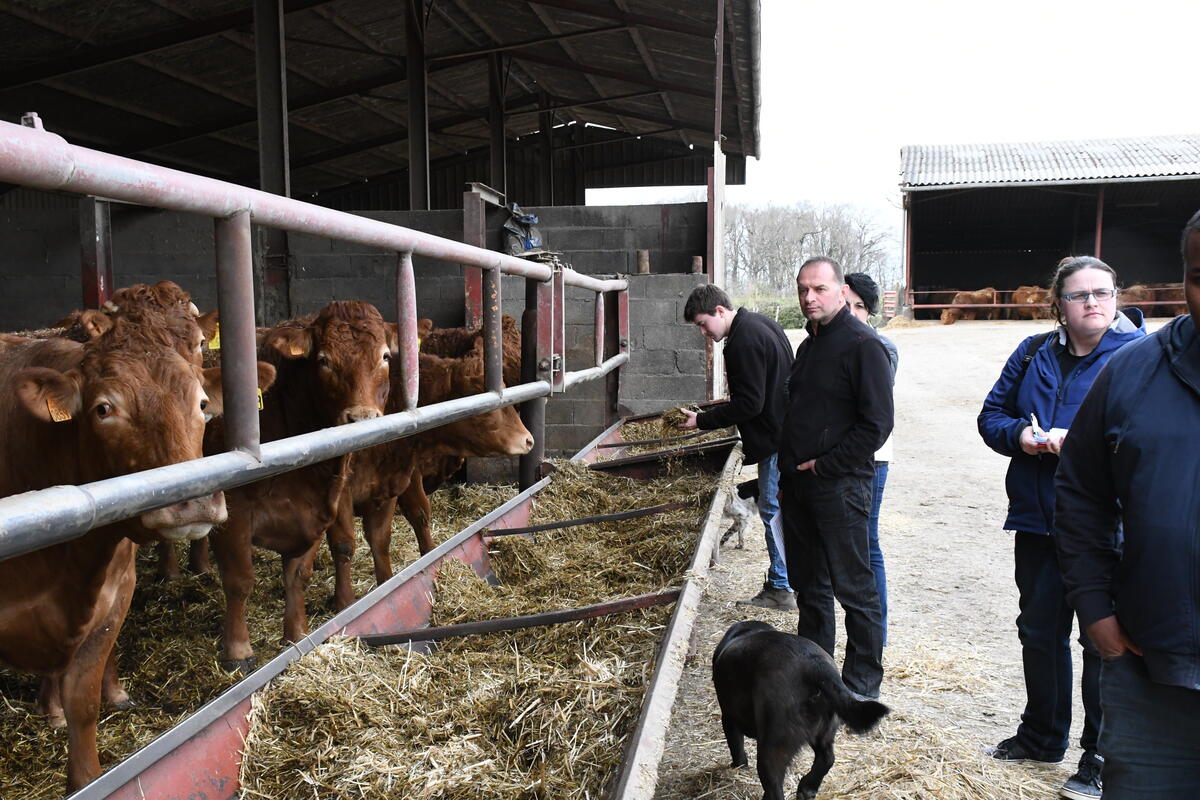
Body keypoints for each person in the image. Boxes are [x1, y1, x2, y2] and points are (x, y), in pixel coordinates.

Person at [977, 255, 1145, 800]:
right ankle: (1041, 736)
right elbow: (992, 414)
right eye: (1079, 295)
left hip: (1106, 523)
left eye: (1102, 292)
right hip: (1038, 518)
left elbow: (1151, 436)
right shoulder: (1032, 352)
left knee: (1103, 643)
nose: (1092, 302)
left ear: (1116, 297)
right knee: (1039, 632)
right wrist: (1020, 439)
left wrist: (1084, 444)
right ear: (1058, 304)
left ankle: (1100, 757)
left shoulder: (1140, 357)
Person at [1055, 211, 1200, 800]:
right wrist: (1093, 606)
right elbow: (1082, 490)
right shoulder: (1135, 371)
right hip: (1153, 674)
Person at [778, 256, 893, 699]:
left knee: (855, 588)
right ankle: (817, 678)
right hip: (802, 486)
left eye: (819, 289)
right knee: (810, 587)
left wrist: (826, 465)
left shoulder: (863, 345)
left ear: (841, 291)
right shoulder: (810, 345)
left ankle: (862, 686)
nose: (809, 297)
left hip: (841, 485)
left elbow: (877, 424)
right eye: (802, 289)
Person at [680, 284, 797, 610]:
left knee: (772, 511)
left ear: (720, 311)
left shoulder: (740, 342)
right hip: (787, 430)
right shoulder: (763, 324)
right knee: (781, 510)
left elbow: (750, 404)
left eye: (704, 324)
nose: (704, 332)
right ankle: (787, 580)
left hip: (774, 438)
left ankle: (781, 587)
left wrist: (702, 421)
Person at [844, 272, 898, 645]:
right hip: (841, 456)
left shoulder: (878, 347)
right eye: (846, 304)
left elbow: (869, 410)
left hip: (871, 457)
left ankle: (874, 631)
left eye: (859, 307)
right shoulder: (822, 344)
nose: (851, 313)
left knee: (866, 543)